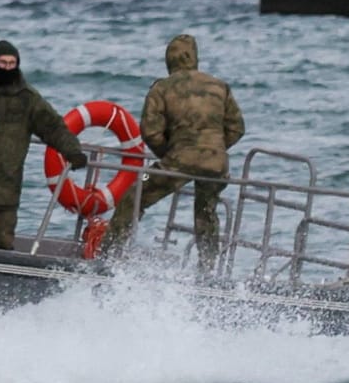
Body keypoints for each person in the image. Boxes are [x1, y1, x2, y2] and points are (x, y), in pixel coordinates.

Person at [103, 35, 245, 273]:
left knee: (136, 193)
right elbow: (237, 128)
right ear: (194, 57)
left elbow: (150, 132)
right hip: (217, 165)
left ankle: (109, 256)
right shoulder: (219, 86)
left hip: (177, 161)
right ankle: (208, 269)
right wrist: (212, 149)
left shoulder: (162, 88)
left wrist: (170, 154)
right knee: (206, 211)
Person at [0, 40, 87, 250]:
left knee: (4, 242)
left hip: (5, 183)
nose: (8, 68)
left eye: (12, 63)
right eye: (3, 63)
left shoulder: (28, 99)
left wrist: (73, 152)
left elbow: (53, 127)